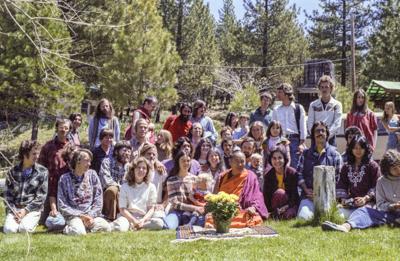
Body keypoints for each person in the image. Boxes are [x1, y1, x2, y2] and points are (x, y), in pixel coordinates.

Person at [322, 150, 400, 232]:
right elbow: (380, 205)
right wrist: (393, 206)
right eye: (395, 168)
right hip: (389, 214)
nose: (399, 170)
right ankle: (345, 227)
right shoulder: (381, 182)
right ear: (387, 169)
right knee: (364, 210)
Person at [58, 149, 111, 235]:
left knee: (106, 227)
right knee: (79, 232)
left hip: (91, 216)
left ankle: (84, 228)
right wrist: (81, 216)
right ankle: (68, 229)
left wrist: (90, 215)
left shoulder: (92, 175)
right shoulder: (64, 179)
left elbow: (98, 199)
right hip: (74, 216)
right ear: (77, 161)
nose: (89, 164)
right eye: (87, 161)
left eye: (90, 161)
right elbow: (62, 205)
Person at [209, 151, 268, 228]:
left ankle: (223, 224)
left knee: (255, 218)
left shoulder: (251, 176)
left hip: (242, 210)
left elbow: (257, 196)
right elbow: (214, 197)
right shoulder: (222, 176)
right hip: (224, 210)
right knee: (210, 217)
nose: (240, 164)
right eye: (237, 161)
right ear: (230, 162)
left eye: (242, 161)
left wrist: (253, 207)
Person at [297, 121, 343, 220]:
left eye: (323, 131)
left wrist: (327, 194)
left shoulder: (335, 155)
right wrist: (306, 190)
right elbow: (299, 174)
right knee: (304, 218)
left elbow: (339, 178)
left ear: (327, 134)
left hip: (328, 198)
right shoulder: (305, 154)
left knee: (327, 217)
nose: (320, 133)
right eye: (317, 131)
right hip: (308, 197)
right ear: (313, 135)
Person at [3, 141, 48, 234]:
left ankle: (34, 221)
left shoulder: (42, 172)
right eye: (34, 154)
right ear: (24, 154)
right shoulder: (12, 172)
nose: (37, 156)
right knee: (9, 230)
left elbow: (41, 197)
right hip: (14, 209)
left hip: (32, 210)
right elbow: (7, 196)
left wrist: (25, 211)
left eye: (38, 153)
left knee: (24, 229)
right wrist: (14, 211)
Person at [112, 157, 164, 231]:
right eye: (138, 167)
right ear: (133, 170)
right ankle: (133, 226)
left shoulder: (151, 187)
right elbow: (122, 209)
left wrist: (143, 220)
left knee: (159, 223)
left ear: (147, 171)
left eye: (144, 168)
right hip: (128, 218)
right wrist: (134, 220)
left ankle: (138, 226)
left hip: (144, 218)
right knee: (120, 228)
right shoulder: (125, 186)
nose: (141, 170)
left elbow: (151, 208)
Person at [336, 135, 381, 218]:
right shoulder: (346, 167)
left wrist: (365, 198)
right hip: (352, 202)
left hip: (369, 202)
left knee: (363, 213)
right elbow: (342, 185)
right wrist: (343, 200)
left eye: (361, 148)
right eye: (355, 148)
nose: (358, 150)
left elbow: (377, 186)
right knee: (338, 214)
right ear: (351, 149)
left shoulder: (373, 166)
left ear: (366, 149)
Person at [39, 118, 71, 227]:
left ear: (69, 130)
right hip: (50, 185)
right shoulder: (47, 146)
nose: (63, 130)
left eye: (66, 128)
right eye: (61, 127)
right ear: (56, 128)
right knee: (44, 219)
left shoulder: (73, 147)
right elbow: (40, 167)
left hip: (67, 185)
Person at [164, 151, 205, 229]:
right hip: (177, 212)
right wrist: (194, 208)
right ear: (178, 162)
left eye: (188, 161)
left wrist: (197, 208)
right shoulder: (171, 180)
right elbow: (175, 203)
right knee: (168, 227)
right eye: (183, 160)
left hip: (193, 213)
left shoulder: (195, 179)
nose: (186, 163)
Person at [272, 83, 306, 168]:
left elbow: (303, 127)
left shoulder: (298, 108)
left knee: (295, 166)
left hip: (295, 140)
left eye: (280, 92)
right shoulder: (276, 110)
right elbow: (273, 127)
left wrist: (301, 143)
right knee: (281, 165)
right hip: (281, 140)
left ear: (286, 93)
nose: (277, 94)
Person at [98, 141, 132, 221]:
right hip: (108, 194)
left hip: (124, 195)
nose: (127, 153)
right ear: (116, 152)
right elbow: (107, 181)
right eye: (124, 151)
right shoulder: (107, 162)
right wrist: (121, 189)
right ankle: (110, 218)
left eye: (129, 151)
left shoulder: (129, 166)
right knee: (112, 189)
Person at [263, 147, 299, 220]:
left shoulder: (292, 173)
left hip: (290, 204)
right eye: (274, 158)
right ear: (270, 159)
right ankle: (275, 214)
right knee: (279, 193)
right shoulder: (268, 175)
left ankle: (278, 215)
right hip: (275, 205)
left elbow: (294, 195)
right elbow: (267, 196)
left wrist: (286, 206)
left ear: (284, 159)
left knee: (289, 215)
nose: (277, 161)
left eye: (280, 158)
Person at [307, 75, 342, 146]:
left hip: (330, 139)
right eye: (322, 87)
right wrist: (316, 136)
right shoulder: (313, 105)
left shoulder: (337, 105)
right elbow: (310, 122)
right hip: (316, 139)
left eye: (326, 87)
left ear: (331, 88)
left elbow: (337, 124)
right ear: (319, 88)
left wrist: (327, 135)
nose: (324, 89)